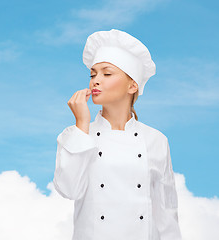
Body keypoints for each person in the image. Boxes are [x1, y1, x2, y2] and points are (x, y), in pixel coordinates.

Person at [53, 29, 183, 240]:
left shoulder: (156, 140)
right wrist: (81, 124)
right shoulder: (76, 135)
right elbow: (69, 190)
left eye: (107, 73)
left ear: (133, 86)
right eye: (93, 74)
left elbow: (167, 215)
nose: (95, 80)